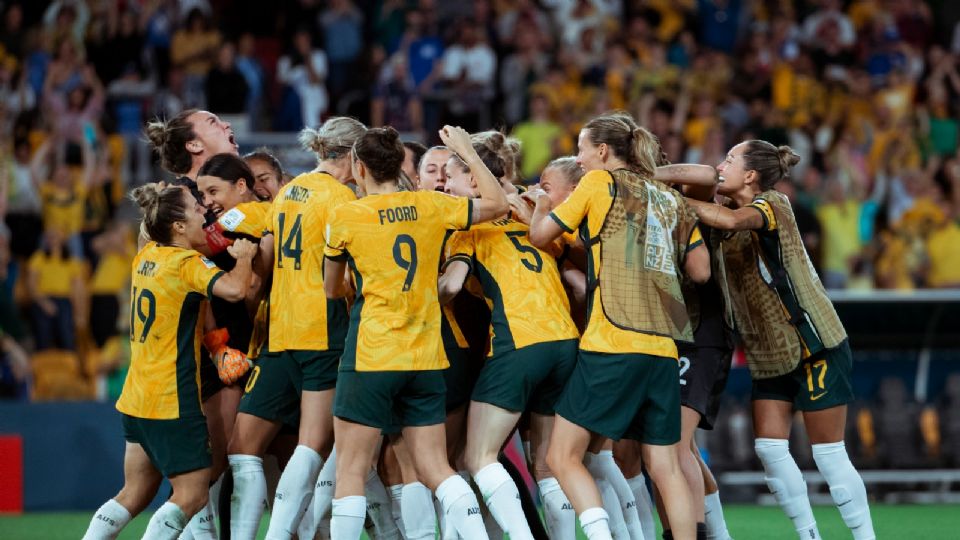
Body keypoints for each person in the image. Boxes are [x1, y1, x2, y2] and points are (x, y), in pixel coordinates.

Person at [527, 112, 711, 540]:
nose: (579, 158)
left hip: (612, 341)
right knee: (664, 467)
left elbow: (541, 236)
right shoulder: (667, 198)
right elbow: (700, 270)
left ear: (603, 151)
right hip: (665, 348)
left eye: (581, 149)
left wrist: (538, 205)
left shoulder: (598, 183)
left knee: (561, 456)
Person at [322, 125, 509, 540]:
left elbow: (331, 288)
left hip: (372, 354)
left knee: (351, 470)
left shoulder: (345, 215)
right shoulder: (431, 206)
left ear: (358, 167)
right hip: (425, 355)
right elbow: (497, 203)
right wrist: (467, 151)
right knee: (437, 468)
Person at [685, 140, 875, 540]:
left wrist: (674, 202)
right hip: (768, 352)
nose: (720, 165)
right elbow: (709, 203)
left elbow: (735, 222)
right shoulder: (720, 219)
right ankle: (809, 535)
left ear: (751, 176)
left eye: (730, 160)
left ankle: (865, 537)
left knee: (828, 455)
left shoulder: (774, 204)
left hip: (815, 344)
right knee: (770, 451)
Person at [81, 183, 256, 540]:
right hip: (171, 401)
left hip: (136, 398)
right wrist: (244, 257)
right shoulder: (186, 263)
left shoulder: (144, 256)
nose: (203, 212)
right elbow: (237, 290)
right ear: (177, 226)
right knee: (191, 495)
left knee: (134, 493)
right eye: (194, 208)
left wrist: (216, 346)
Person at [232, 117, 367, 540]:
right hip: (323, 330)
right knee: (311, 446)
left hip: (279, 331)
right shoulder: (343, 199)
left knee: (241, 451)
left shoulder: (289, 191)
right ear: (352, 155)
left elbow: (266, 262)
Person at [440, 134, 579, 540]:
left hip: (518, 342)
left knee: (477, 456)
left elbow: (451, 287)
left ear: (474, 176)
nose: (446, 187)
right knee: (548, 465)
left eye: (451, 177)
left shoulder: (469, 225)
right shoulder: (532, 206)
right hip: (564, 341)